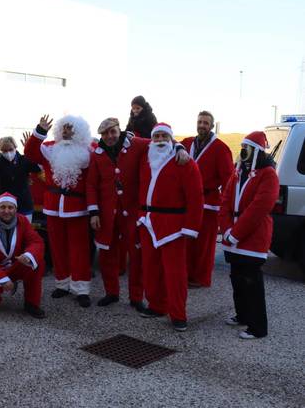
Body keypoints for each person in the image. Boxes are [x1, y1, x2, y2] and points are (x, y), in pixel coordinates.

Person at [87, 118, 191, 311]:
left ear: (120, 130)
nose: (110, 136)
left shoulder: (137, 144)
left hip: (132, 211)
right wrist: (93, 212)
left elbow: (161, 139)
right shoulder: (97, 154)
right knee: (107, 254)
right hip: (107, 213)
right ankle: (111, 292)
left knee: (136, 255)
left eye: (113, 132)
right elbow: (91, 185)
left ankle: (136, 296)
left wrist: (179, 148)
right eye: (105, 133)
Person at [137, 123, 203, 332]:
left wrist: (191, 227)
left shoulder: (184, 162)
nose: (160, 140)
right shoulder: (146, 159)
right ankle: (157, 305)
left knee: (175, 274)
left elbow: (195, 197)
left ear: (172, 139)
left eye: (165, 136)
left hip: (172, 225)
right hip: (148, 222)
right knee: (150, 268)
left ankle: (178, 314)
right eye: (156, 136)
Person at [24, 114, 93, 307]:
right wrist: (40, 131)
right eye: (64, 127)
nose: (67, 131)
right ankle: (62, 284)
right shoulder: (50, 148)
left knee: (79, 249)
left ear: (79, 130)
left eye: (70, 128)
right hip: (53, 207)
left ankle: (81, 288)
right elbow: (30, 152)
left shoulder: (89, 151)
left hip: (77, 208)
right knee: (58, 247)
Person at [219, 132, 279, 339]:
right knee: (237, 277)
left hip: (253, 236)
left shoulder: (268, 174)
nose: (243, 151)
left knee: (251, 280)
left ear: (257, 152)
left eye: (248, 148)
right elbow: (225, 200)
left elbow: (259, 208)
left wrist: (235, 233)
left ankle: (258, 327)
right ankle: (242, 315)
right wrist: (227, 229)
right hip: (233, 235)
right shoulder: (238, 172)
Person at [181, 111, 234, 287]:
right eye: (200, 122)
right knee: (188, 241)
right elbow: (168, 146)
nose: (202, 125)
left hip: (209, 202)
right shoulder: (187, 143)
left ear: (211, 126)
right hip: (187, 202)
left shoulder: (220, 148)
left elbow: (228, 179)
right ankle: (187, 274)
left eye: (205, 123)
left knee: (205, 243)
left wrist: (227, 206)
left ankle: (201, 278)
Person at [0, 193, 46, 318]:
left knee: (37, 263)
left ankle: (32, 303)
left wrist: (28, 255)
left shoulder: (23, 221)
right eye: (2, 207)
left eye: (10, 207)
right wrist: (3, 279)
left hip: (16, 264)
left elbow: (36, 241)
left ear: (15, 209)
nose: (7, 211)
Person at [0, 132, 41, 220]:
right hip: (5, 205)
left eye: (10, 149)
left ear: (15, 148)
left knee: (25, 232)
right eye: (5, 151)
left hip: (24, 204)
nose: (8, 153)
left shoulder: (24, 159)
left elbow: (37, 168)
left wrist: (30, 150)